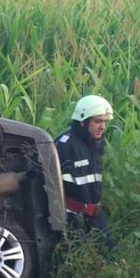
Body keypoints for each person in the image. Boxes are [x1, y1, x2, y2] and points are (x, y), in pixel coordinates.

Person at [55, 94, 115, 251]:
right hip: (71, 219)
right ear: (83, 121)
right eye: (97, 121)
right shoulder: (64, 145)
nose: (102, 127)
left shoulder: (96, 143)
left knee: (111, 254)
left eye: (104, 122)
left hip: (95, 216)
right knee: (71, 261)